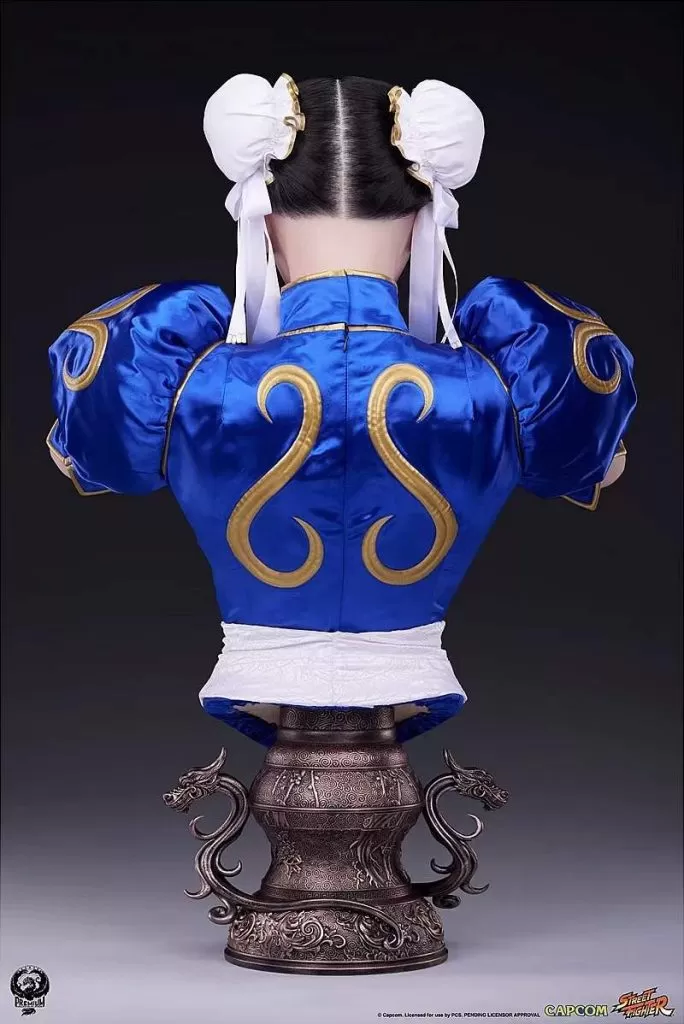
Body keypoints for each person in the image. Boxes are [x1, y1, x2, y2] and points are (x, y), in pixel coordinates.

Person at [46, 73, 637, 745]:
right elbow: (596, 462)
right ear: (424, 222)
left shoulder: (182, 375)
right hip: (409, 681)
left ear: (261, 220)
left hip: (259, 680)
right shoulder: (504, 378)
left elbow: (85, 454)